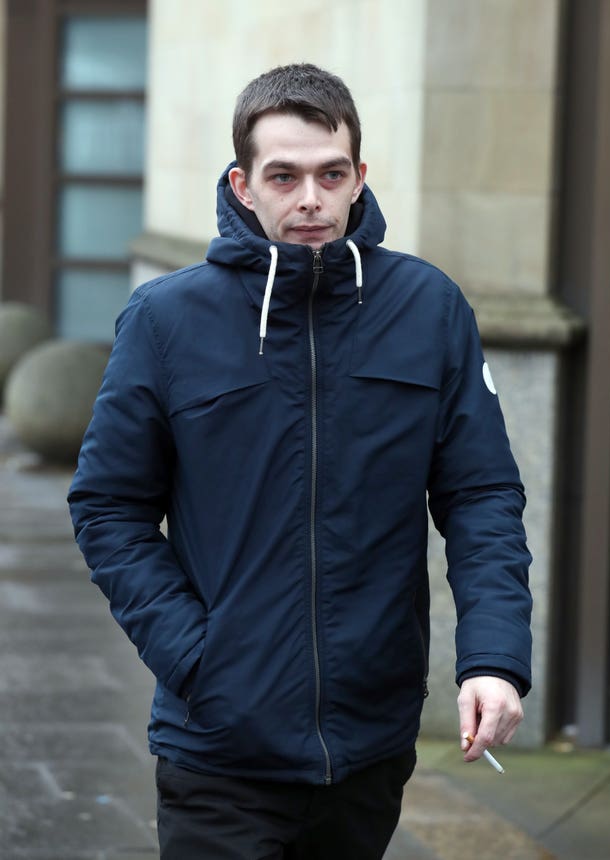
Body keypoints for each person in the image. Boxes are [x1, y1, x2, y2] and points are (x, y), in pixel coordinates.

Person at [68, 63, 532, 860]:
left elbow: (481, 494)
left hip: (369, 743)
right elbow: (108, 507)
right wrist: (195, 656)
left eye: (331, 173)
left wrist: (493, 658)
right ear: (243, 185)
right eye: (284, 176)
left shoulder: (429, 309)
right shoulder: (168, 318)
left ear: (360, 177)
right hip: (218, 744)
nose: (310, 198)